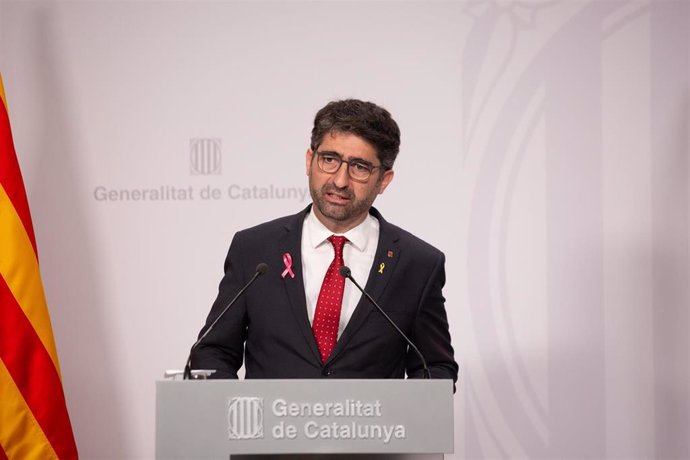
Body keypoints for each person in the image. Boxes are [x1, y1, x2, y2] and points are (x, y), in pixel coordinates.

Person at [191, 99, 458, 382]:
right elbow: (213, 351)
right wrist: (239, 413)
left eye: (360, 167)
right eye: (329, 159)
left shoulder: (418, 264)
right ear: (310, 161)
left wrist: (399, 418)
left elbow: (436, 368)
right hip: (270, 424)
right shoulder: (255, 249)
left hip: (368, 426)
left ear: (384, 180)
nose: (340, 180)